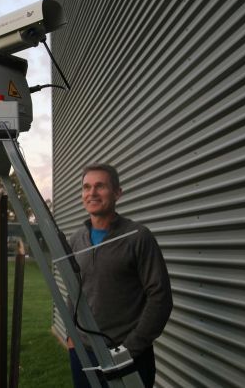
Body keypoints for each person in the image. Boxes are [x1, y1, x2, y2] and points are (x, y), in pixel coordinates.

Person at [67, 163, 173, 388]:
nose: (92, 193)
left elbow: (160, 297)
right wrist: (71, 336)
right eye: (86, 187)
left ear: (117, 193)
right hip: (84, 353)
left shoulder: (138, 237)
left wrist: (132, 347)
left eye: (100, 186)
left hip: (129, 354)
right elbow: (73, 291)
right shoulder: (75, 240)